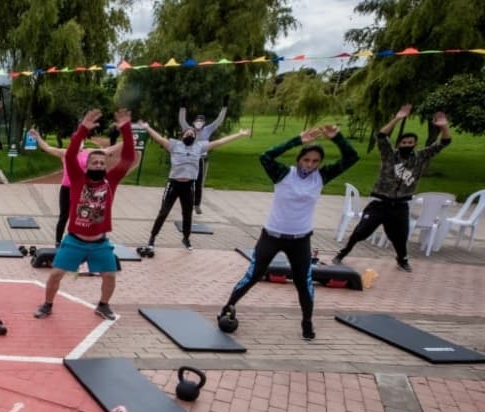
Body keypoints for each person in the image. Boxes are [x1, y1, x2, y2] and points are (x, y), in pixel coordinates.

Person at [219, 124, 359, 341]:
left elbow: (351, 157)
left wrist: (338, 138)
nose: (310, 165)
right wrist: (297, 140)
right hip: (272, 236)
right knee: (253, 275)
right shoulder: (283, 174)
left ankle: (307, 321)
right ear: (299, 160)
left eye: (315, 162)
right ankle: (227, 307)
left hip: (300, 240)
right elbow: (266, 156)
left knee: (304, 282)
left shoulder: (321, 177)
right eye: (306, 160)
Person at [32, 109, 136, 321]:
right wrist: (82, 130)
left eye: (101, 163)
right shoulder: (78, 179)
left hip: (100, 243)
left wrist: (126, 129)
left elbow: (128, 158)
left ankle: (103, 305)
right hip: (74, 241)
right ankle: (47, 304)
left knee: (109, 276)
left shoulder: (111, 181)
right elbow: (70, 155)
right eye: (94, 163)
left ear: (106, 166)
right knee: (55, 275)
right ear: (86, 166)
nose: (98, 165)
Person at [333, 104, 453, 272]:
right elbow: (381, 135)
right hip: (380, 202)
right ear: (398, 144)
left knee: (400, 236)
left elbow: (444, 142)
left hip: (400, 205)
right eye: (404, 142)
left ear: (415, 144)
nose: (407, 144)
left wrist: (443, 127)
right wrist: (397, 118)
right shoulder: (389, 155)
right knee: (361, 231)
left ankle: (402, 259)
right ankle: (342, 253)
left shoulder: (420, 157)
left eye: (410, 142)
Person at [139, 122, 249, 252]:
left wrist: (240, 134)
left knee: (187, 214)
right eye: (188, 133)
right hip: (174, 184)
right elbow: (159, 138)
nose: (190, 134)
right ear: (182, 135)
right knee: (163, 212)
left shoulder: (199, 147)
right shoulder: (174, 145)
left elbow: (219, 142)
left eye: (193, 134)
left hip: (188, 186)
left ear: (195, 137)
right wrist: (147, 128)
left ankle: (186, 238)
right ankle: (152, 238)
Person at [28, 127, 119, 246]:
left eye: (81, 140)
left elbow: (107, 151)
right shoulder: (65, 153)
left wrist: (127, 142)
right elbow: (47, 148)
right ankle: (58, 242)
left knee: (82, 216)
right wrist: (38, 137)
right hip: (66, 188)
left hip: (83, 190)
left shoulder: (89, 152)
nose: (79, 142)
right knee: (64, 215)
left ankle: (80, 241)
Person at [178, 106, 229, 213]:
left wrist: (224, 107)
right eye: (198, 120)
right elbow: (182, 120)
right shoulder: (189, 130)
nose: (199, 122)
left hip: (201, 159)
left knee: (199, 183)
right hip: (190, 159)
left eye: (201, 121)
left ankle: (197, 204)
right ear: (194, 122)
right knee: (187, 181)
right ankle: (186, 201)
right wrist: (183, 107)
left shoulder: (207, 130)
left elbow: (218, 121)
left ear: (204, 123)